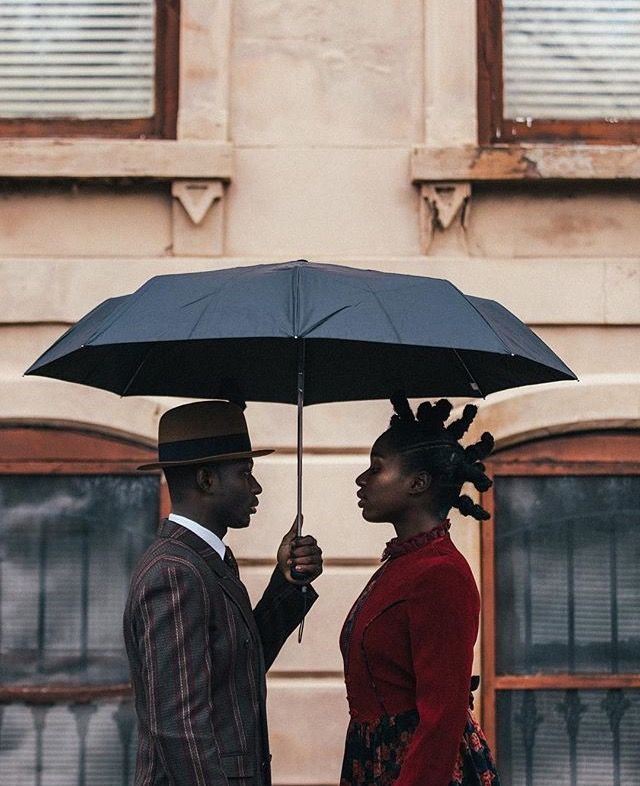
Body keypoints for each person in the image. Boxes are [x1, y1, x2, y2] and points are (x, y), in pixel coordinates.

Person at [124, 400, 323, 786]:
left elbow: (237, 672)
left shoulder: (205, 562)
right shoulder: (175, 572)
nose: (256, 486)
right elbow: (178, 726)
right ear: (207, 480)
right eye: (245, 473)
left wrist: (287, 583)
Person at [339, 394, 500, 786]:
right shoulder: (402, 564)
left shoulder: (440, 574)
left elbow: (443, 717)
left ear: (418, 483)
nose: (362, 480)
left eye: (376, 469)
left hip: (419, 768)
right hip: (378, 761)